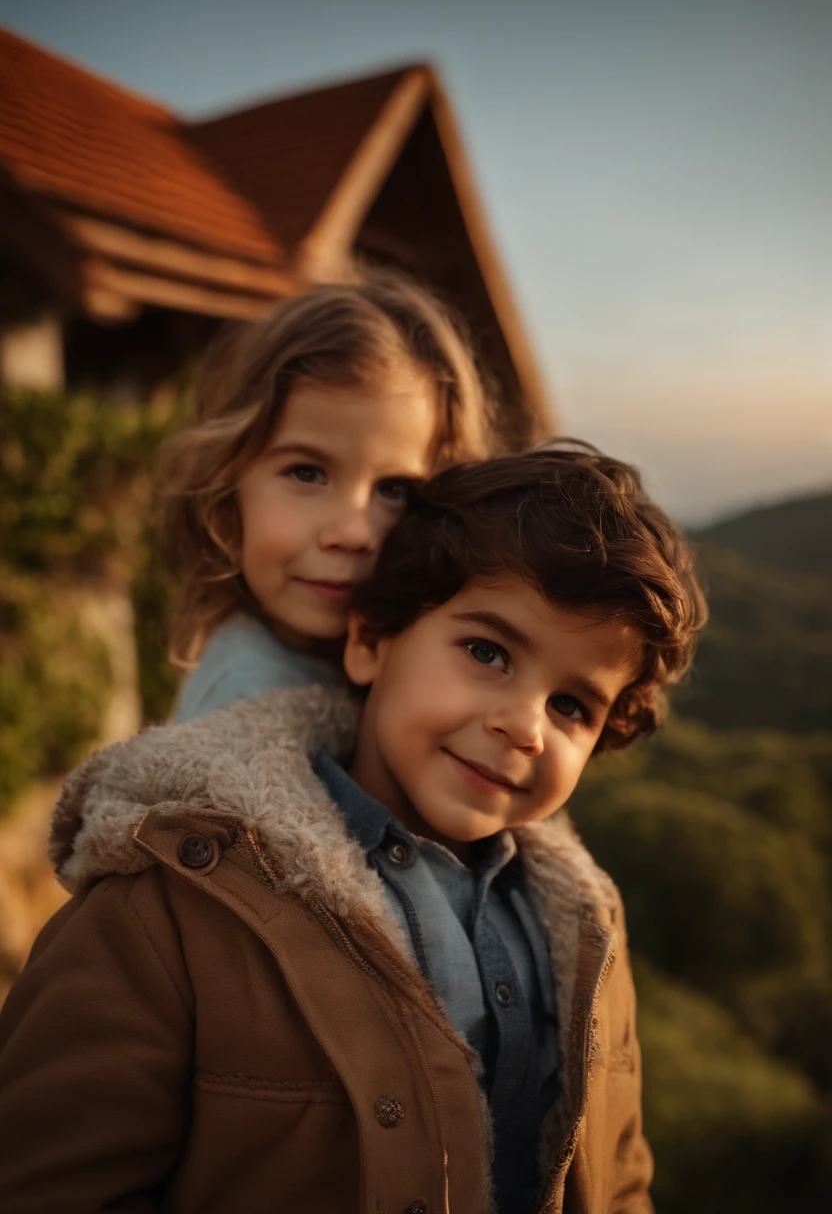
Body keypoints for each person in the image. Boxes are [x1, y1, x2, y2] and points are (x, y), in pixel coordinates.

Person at [0, 444, 706, 1214]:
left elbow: (622, 1181)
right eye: (488, 652)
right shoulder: (174, 899)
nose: (526, 727)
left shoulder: (589, 937)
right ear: (371, 637)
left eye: (572, 706)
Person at [160, 265, 495, 723]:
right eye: (307, 473)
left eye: (394, 489)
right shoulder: (241, 702)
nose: (353, 532)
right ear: (227, 493)